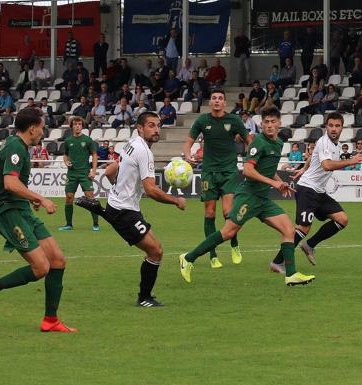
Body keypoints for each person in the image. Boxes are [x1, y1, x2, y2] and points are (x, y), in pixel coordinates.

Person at [180, 106, 314, 286]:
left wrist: (278, 181)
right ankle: (188, 258)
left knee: (289, 230)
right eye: (266, 122)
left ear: (279, 124)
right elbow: (248, 171)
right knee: (228, 232)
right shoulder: (258, 143)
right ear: (261, 124)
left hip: (263, 199)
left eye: (273, 122)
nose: (269, 125)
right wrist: (274, 183)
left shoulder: (279, 144)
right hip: (248, 196)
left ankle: (291, 274)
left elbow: (268, 169)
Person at [0, 108, 76, 332]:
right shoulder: (14, 148)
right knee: (41, 267)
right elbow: (10, 184)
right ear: (32, 128)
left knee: (57, 260)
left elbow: (15, 185)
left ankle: (51, 320)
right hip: (9, 213)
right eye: (41, 127)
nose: (43, 132)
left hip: (22, 210)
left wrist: (29, 199)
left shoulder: (18, 146)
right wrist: (40, 197)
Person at [75, 112, 186, 307]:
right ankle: (144, 298)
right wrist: (175, 200)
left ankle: (101, 210)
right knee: (156, 251)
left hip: (119, 205)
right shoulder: (144, 151)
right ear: (140, 128)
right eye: (151, 125)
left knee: (153, 249)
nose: (156, 130)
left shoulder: (131, 143)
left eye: (158, 125)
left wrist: (118, 189)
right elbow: (151, 190)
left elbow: (110, 169)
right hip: (125, 211)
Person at [270, 112, 362, 274]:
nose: (334, 129)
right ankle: (277, 262)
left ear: (342, 128)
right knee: (303, 228)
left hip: (318, 191)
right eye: (331, 125)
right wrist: (351, 161)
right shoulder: (324, 142)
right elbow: (327, 165)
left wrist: (304, 169)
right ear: (326, 127)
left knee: (342, 219)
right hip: (308, 189)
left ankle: (310, 245)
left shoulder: (333, 144)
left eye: (337, 126)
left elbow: (313, 156)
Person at [183, 89, 252, 268]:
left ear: (224, 103)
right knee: (210, 213)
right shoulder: (202, 120)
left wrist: (253, 158)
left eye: (220, 98)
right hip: (209, 172)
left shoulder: (234, 120)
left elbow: (249, 140)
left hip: (229, 171)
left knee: (228, 212)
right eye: (214, 98)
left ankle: (234, 244)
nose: (217, 101)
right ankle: (213, 255)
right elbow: (189, 140)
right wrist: (187, 153)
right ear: (210, 102)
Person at [58, 116, 99, 232]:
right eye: (75, 124)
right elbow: (65, 155)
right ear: (72, 126)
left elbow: (94, 155)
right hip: (71, 174)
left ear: (82, 126)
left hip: (85, 174)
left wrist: (94, 170)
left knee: (90, 198)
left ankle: (95, 224)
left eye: (79, 124)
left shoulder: (87, 140)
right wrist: (66, 162)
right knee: (69, 198)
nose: (77, 126)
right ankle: (69, 224)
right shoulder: (68, 141)